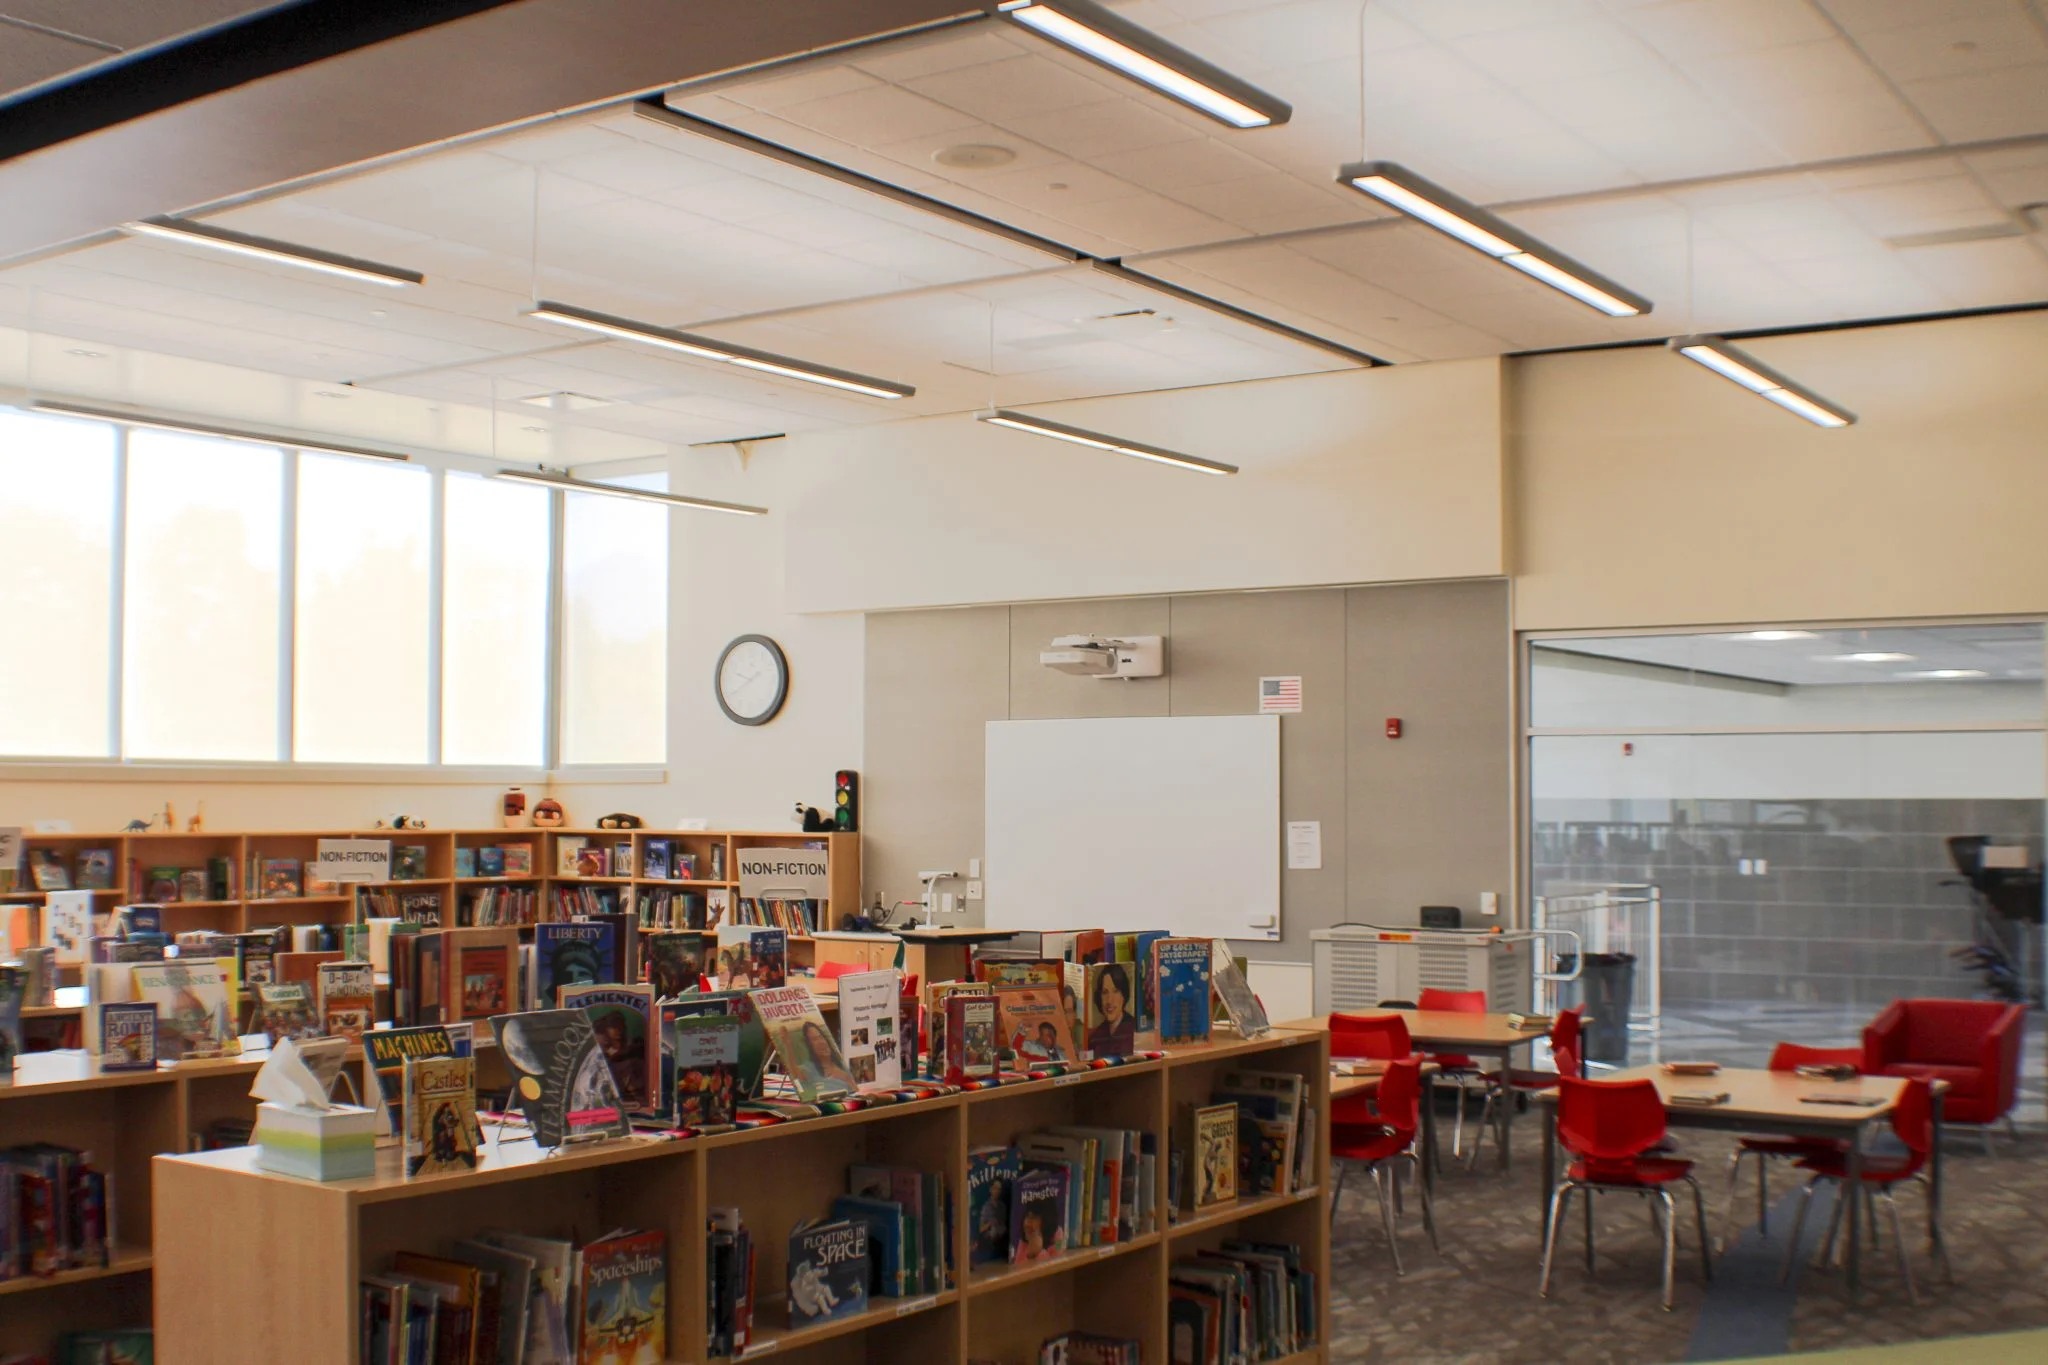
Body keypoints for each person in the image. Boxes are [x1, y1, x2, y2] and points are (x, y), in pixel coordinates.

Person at [1087, 963, 1137, 1058]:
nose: (1109, 1000)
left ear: (1123, 995)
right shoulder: (1095, 1038)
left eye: (1115, 991)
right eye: (1105, 992)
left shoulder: (1134, 1030)